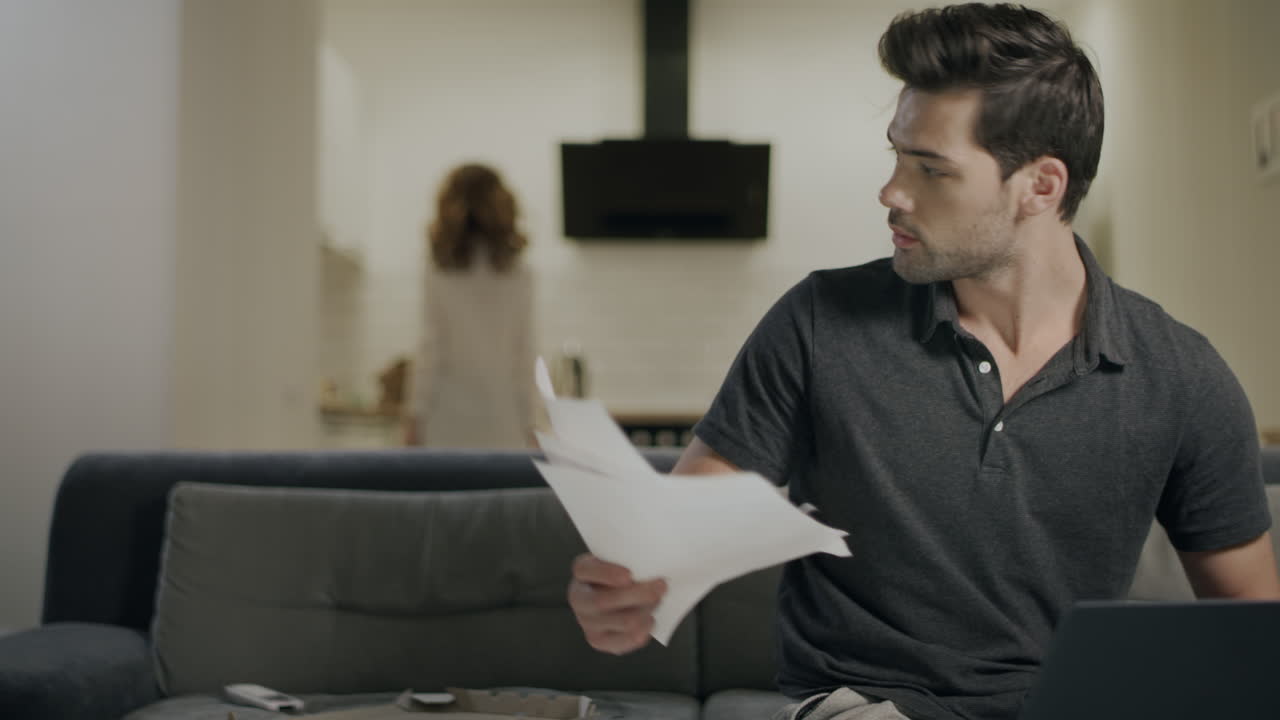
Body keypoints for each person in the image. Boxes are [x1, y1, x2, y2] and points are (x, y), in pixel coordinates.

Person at [566, 4, 1280, 720]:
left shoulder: (1181, 376)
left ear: (1040, 186)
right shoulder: (818, 322)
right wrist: (631, 584)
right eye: (896, 155)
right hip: (868, 707)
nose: (892, 193)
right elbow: (677, 534)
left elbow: (1252, 628)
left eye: (931, 170)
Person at [405, 163, 536, 449]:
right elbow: (523, 353)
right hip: (505, 422)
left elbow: (431, 348)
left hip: (446, 420)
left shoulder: (439, 271)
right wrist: (531, 423)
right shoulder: (519, 273)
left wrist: (414, 417)